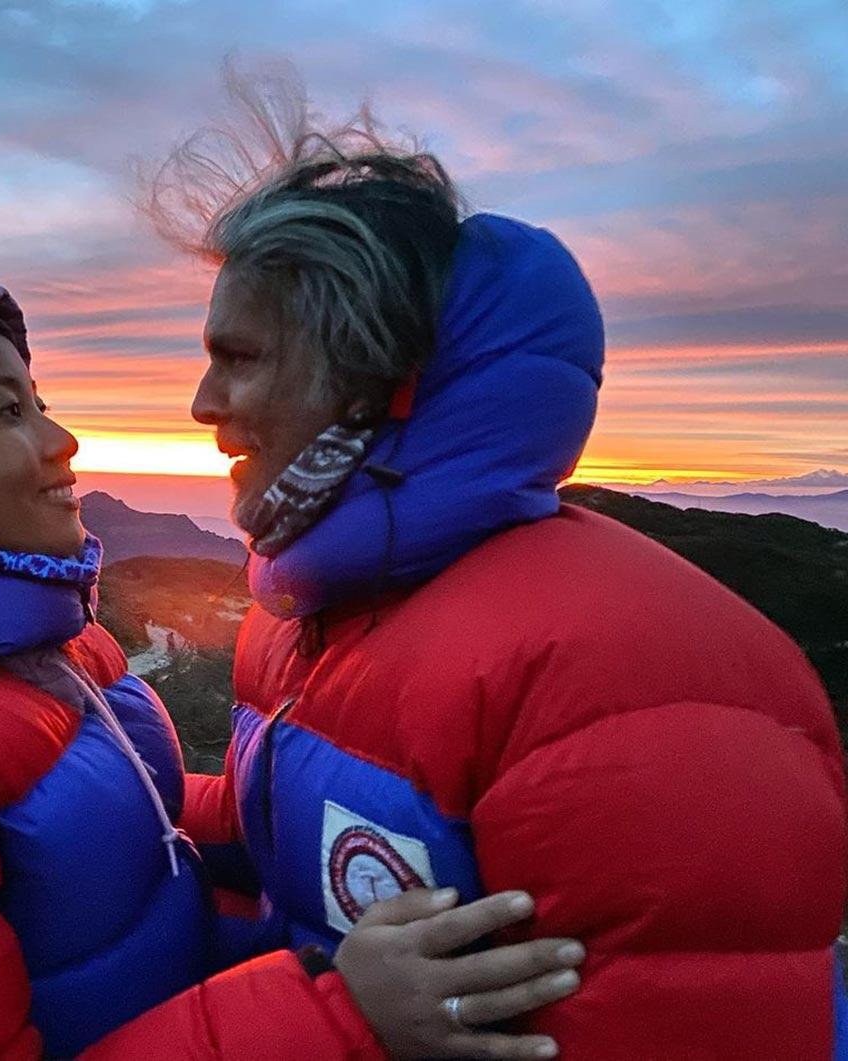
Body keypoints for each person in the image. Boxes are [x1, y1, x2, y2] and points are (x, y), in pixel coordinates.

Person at [0, 276, 585, 1059]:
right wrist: (341, 1018)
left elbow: (135, 830)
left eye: (41, 400)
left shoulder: (42, 653)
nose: (63, 442)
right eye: (9, 411)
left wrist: (326, 804)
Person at [143, 74, 848, 1059]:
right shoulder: (308, 607)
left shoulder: (628, 681)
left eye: (242, 356)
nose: (203, 401)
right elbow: (293, 821)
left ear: (381, 376)